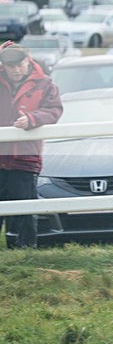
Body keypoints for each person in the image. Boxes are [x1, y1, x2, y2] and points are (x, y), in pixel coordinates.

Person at [0, 42, 63, 248]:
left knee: (25, 206)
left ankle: (25, 250)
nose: (16, 70)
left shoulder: (45, 84)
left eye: (20, 64)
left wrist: (32, 119)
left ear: (28, 60)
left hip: (25, 155)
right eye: (11, 66)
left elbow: (54, 111)